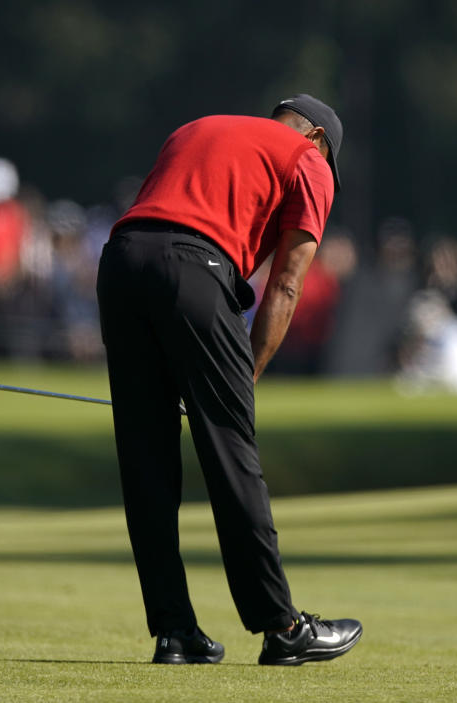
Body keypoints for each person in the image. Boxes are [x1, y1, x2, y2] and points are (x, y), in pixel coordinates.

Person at [96, 95, 362, 666]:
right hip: (195, 269)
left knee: (146, 457)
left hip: (119, 263)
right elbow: (286, 286)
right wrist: (242, 381)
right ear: (317, 136)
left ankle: (173, 630)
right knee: (231, 450)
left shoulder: (197, 125)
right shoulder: (306, 158)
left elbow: (159, 217)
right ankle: (282, 626)